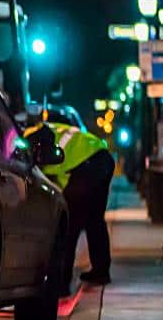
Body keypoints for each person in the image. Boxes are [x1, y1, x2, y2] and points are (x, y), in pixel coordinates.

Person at [26, 122, 115, 291]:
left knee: (70, 225)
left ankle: (62, 282)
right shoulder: (50, 128)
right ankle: (101, 272)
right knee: (94, 220)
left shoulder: (34, 140)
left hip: (85, 166)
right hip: (102, 158)